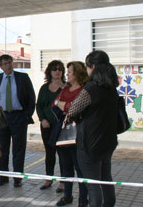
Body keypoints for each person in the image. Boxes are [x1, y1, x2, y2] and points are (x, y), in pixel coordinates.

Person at [66, 50, 119, 207]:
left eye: (87, 67)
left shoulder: (90, 88)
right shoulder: (111, 87)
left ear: (93, 67)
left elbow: (72, 111)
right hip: (108, 142)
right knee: (106, 179)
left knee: (93, 185)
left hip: (89, 144)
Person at [0, 54, 36, 188]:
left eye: (10, 62)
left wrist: (26, 115)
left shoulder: (23, 78)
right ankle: (2, 177)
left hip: (19, 117)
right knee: (2, 149)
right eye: (5, 63)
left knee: (19, 150)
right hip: (2, 117)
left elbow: (31, 98)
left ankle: (17, 178)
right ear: (1, 66)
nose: (8, 65)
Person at [51, 61, 89, 207]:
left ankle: (83, 199)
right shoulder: (66, 89)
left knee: (80, 169)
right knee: (65, 167)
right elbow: (54, 103)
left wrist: (65, 106)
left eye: (70, 72)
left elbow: (76, 109)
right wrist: (67, 106)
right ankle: (67, 196)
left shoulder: (84, 90)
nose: (66, 74)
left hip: (78, 136)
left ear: (78, 73)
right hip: (62, 135)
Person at [36, 60, 66, 192]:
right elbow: (39, 106)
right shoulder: (44, 88)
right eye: (54, 69)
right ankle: (49, 178)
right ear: (49, 71)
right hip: (46, 126)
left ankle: (63, 182)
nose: (57, 71)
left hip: (61, 127)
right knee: (49, 153)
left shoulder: (66, 87)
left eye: (60, 69)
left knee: (63, 154)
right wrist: (42, 119)